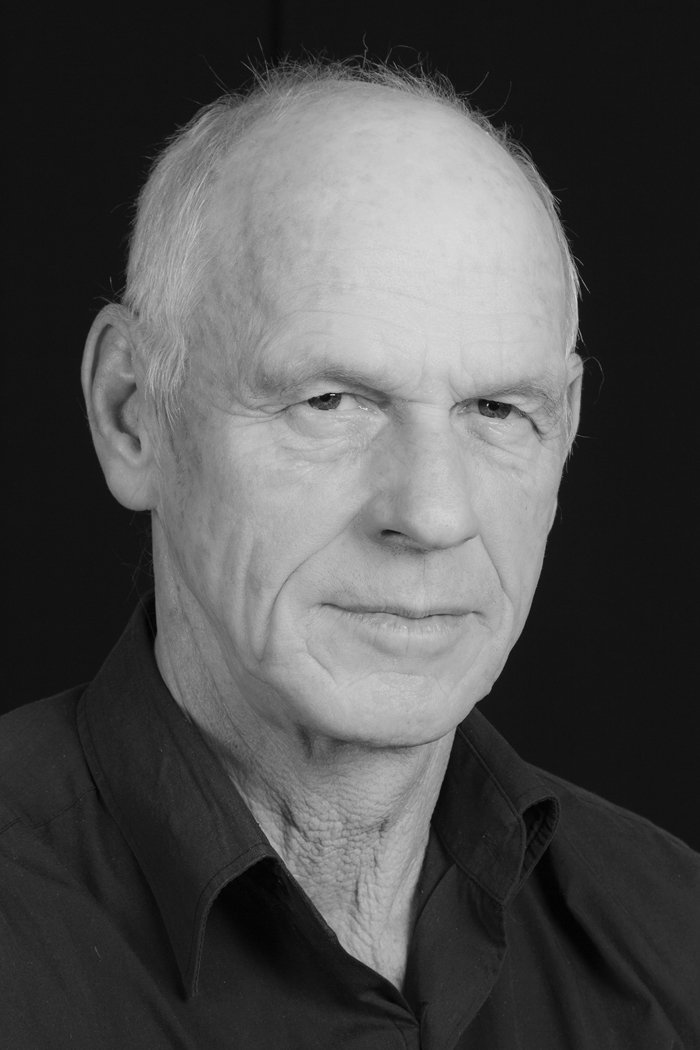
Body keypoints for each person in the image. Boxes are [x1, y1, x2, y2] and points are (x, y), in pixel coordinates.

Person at [1, 59, 698, 1050]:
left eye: (498, 410)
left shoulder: (675, 940)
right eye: (329, 402)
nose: (432, 512)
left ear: (567, 431)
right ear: (132, 414)